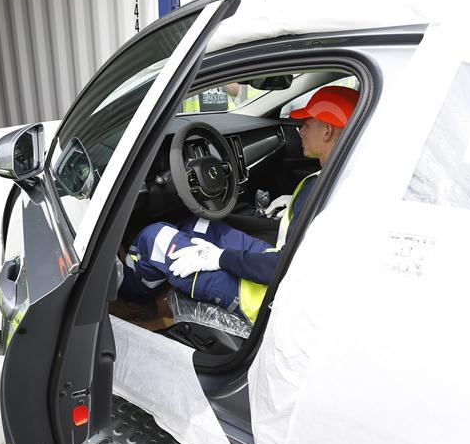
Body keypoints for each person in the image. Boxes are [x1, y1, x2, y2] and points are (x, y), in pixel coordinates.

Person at [122, 86, 359, 324]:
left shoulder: (328, 193)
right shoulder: (334, 177)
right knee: (199, 224)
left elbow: (285, 269)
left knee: (151, 238)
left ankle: (133, 303)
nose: (301, 130)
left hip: (263, 295)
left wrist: (218, 258)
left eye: (307, 123)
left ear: (327, 131)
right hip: (273, 260)